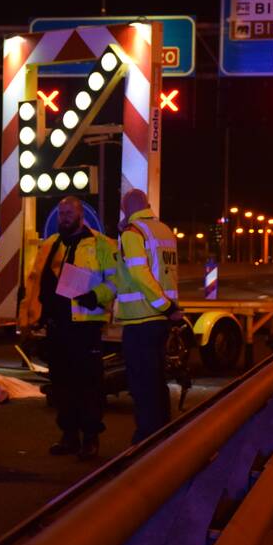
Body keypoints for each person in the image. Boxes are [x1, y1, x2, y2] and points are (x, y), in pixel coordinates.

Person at [21, 196, 117, 460]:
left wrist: (96, 296)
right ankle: (69, 436)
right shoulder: (51, 244)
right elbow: (35, 281)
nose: (63, 217)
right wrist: (31, 317)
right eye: (61, 212)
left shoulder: (101, 244)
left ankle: (90, 438)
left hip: (85, 326)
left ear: (80, 214)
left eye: (68, 212)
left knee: (88, 385)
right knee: (62, 385)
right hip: (57, 325)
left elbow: (115, 281)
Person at [114, 188, 183, 444]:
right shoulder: (164, 231)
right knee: (156, 381)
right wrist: (168, 309)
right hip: (161, 321)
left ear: (125, 209)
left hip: (142, 318)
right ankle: (163, 435)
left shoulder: (134, 234)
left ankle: (145, 441)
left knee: (142, 384)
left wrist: (162, 305)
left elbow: (139, 274)